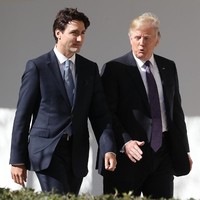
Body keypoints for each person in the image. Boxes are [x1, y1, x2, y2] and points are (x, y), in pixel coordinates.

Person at [9, 7, 117, 195]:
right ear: (58, 33)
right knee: (57, 196)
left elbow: (100, 114)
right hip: (47, 151)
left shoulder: (89, 69)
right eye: (74, 33)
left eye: (83, 33)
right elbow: (23, 115)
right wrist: (18, 159)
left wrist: (108, 147)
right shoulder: (37, 67)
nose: (80, 39)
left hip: (77, 153)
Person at [101, 12, 193, 199]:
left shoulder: (168, 66)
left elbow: (176, 111)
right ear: (130, 38)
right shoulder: (115, 69)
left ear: (157, 40)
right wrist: (125, 142)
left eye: (147, 38)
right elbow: (106, 114)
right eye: (137, 37)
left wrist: (183, 149)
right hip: (129, 155)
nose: (141, 42)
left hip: (163, 153)